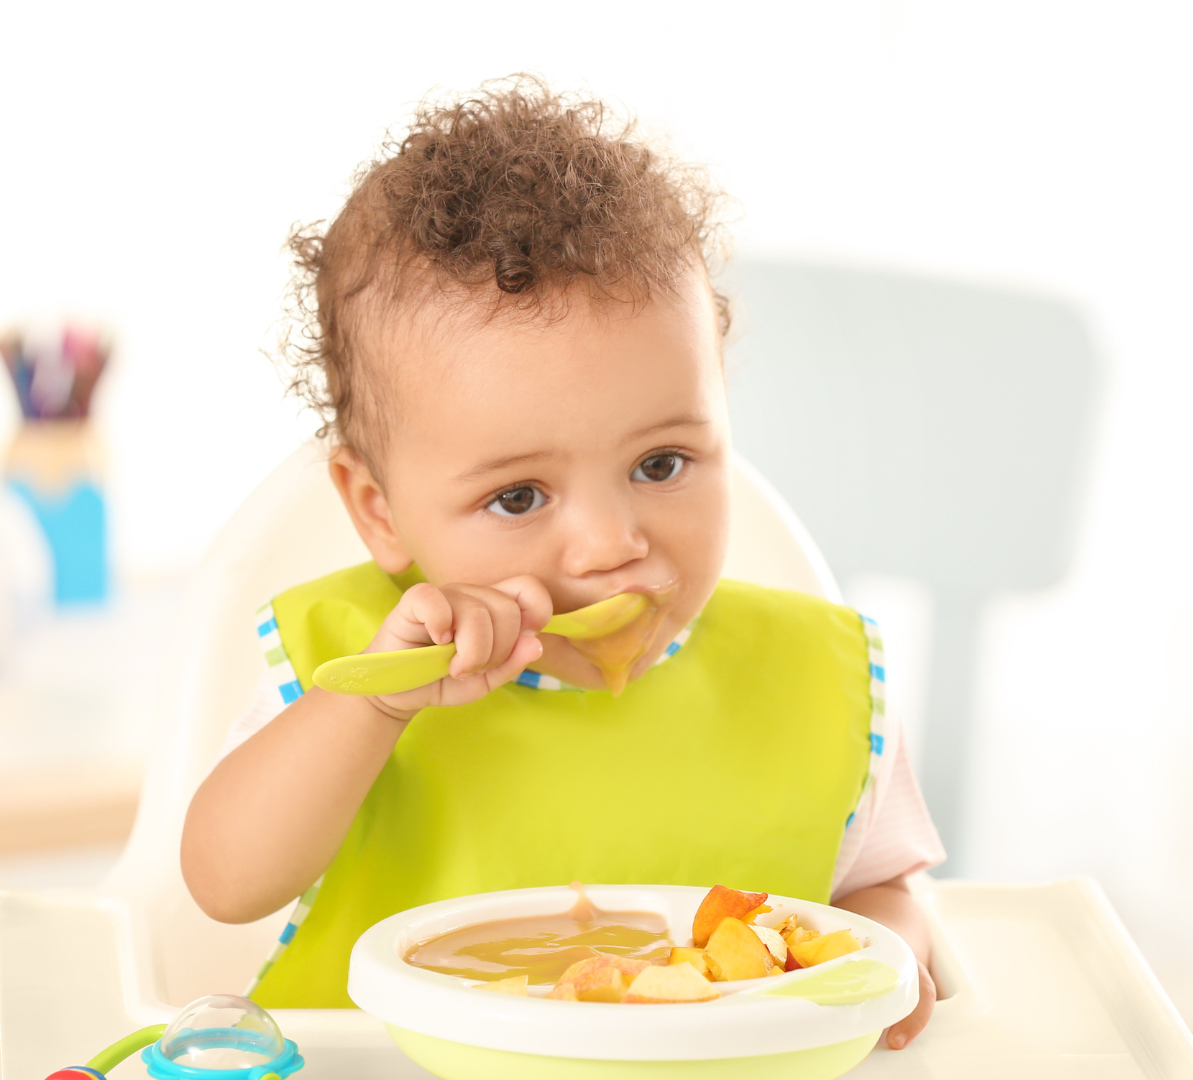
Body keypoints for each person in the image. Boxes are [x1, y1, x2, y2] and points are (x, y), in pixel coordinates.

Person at [181, 76, 945, 1047]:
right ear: (379, 513)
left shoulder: (808, 681)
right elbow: (222, 881)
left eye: (659, 465)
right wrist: (371, 706)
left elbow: (882, 887)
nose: (608, 544)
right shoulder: (361, 671)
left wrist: (886, 947)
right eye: (516, 497)